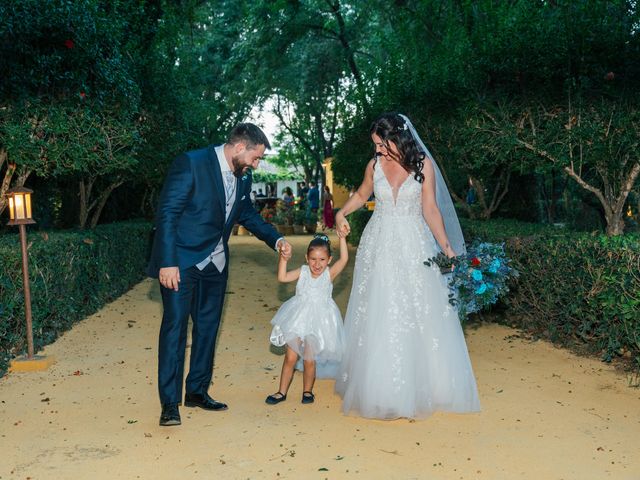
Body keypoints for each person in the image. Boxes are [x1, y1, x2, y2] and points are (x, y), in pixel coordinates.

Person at [334, 112, 480, 420]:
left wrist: (448, 251)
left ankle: (432, 383)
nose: (377, 150)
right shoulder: (374, 166)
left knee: (420, 306)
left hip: (415, 243)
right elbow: (362, 194)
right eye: (374, 144)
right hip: (380, 242)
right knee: (382, 307)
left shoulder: (423, 165)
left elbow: (430, 209)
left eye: (380, 143)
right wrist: (341, 213)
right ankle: (381, 387)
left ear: (395, 138)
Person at [147, 123, 292, 427]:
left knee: (208, 329)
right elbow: (168, 213)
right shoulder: (192, 163)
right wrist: (167, 261)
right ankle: (169, 404)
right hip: (182, 263)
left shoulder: (243, 176)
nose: (256, 164)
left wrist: (275, 240)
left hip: (216, 265)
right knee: (174, 330)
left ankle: (197, 391)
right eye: (255, 157)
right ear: (240, 147)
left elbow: (246, 214)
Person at [265, 234, 349, 405]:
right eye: (313, 259)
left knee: (309, 359)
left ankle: (307, 391)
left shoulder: (328, 274)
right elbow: (282, 277)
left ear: (329, 260)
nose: (317, 264)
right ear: (306, 258)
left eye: (322, 259)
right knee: (290, 357)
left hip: (317, 323)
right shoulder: (302, 271)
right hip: (298, 318)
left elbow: (345, 259)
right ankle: (281, 392)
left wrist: (342, 238)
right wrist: (283, 258)